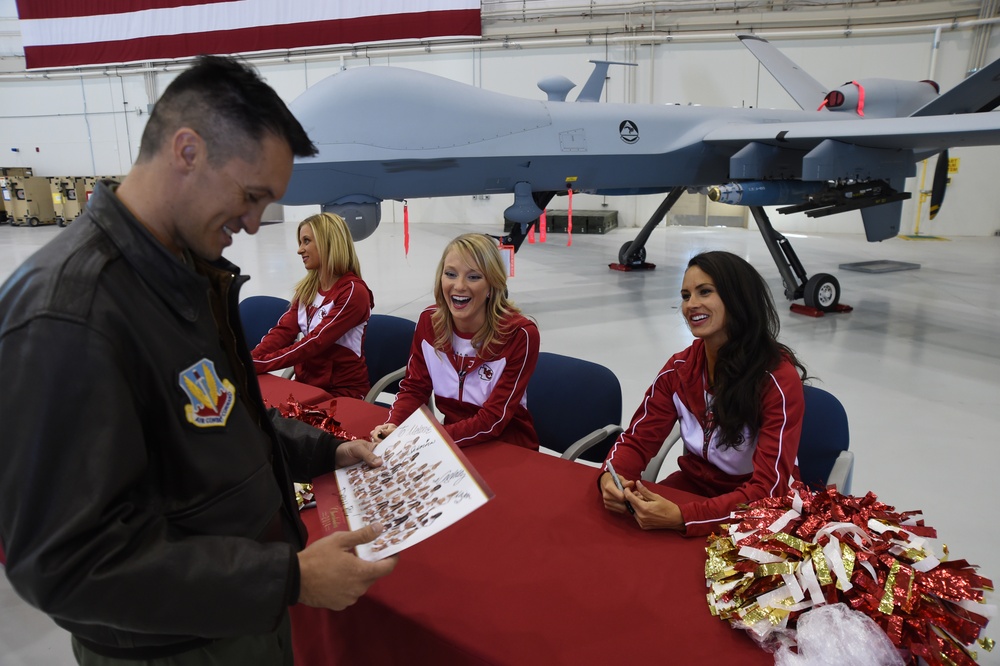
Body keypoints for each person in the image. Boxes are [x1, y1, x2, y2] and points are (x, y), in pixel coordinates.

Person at [0, 55, 395, 665]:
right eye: (252, 195)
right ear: (187, 151)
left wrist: (323, 449)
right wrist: (286, 580)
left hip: (233, 617)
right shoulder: (69, 314)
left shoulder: (182, 274)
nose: (257, 223)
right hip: (174, 647)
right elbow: (65, 564)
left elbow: (218, 416)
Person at [599, 251, 806, 537]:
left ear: (738, 297)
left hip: (757, 513)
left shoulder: (777, 379)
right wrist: (612, 479)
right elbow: (637, 440)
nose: (690, 305)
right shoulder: (679, 370)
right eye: (685, 295)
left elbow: (768, 490)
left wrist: (685, 517)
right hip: (693, 489)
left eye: (705, 292)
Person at [370, 233, 540, 449]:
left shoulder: (520, 334)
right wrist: (394, 425)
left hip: (508, 447)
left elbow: (493, 420)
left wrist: (424, 439)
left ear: (492, 285)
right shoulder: (428, 322)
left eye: (474, 277)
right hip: (451, 441)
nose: (459, 286)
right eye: (450, 274)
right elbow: (415, 389)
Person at [251, 212, 373, 398]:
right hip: (306, 387)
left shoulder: (353, 292)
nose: (300, 250)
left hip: (342, 394)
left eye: (306, 241)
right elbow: (283, 332)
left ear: (328, 243)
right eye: (300, 242)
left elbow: (315, 343)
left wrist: (260, 364)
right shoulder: (308, 288)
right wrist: (250, 359)